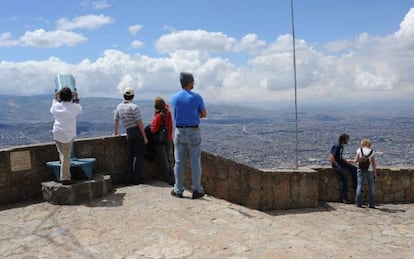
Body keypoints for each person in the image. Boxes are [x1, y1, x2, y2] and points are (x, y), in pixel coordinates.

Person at [170, 72, 207, 199]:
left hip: (179, 131)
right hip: (193, 131)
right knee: (195, 161)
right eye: (193, 81)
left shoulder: (174, 97)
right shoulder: (196, 97)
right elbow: (204, 114)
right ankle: (196, 189)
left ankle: (178, 189)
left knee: (179, 162)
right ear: (190, 82)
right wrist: (195, 117)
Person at [113, 87, 148, 185]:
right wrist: (144, 136)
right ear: (132, 96)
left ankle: (127, 178)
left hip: (128, 132)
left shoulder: (119, 107)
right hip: (137, 132)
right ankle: (137, 178)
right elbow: (139, 122)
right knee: (139, 156)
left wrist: (115, 132)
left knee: (130, 156)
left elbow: (116, 120)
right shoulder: (134, 107)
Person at [50, 87, 82, 185]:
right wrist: (76, 98)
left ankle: (62, 175)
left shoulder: (56, 107)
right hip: (68, 134)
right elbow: (79, 109)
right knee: (66, 156)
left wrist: (56, 96)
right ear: (71, 96)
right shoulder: (74, 107)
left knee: (62, 155)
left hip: (57, 132)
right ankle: (65, 178)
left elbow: (52, 108)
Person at [150, 97, 174, 185]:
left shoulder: (160, 115)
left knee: (164, 161)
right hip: (169, 137)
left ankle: (168, 179)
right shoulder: (168, 112)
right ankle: (173, 177)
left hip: (161, 140)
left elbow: (154, 129)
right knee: (169, 159)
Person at [329, 133, 357, 203]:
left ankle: (355, 186)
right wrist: (336, 164)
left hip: (341, 162)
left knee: (354, 169)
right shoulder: (337, 146)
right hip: (336, 164)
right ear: (343, 139)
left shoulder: (341, 146)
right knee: (344, 179)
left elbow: (340, 156)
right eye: (347, 139)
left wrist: (345, 161)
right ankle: (344, 198)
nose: (348, 141)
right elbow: (331, 156)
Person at [351, 139, 377, 208]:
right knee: (371, 188)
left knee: (359, 186)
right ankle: (372, 204)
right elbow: (374, 164)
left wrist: (348, 160)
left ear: (362, 144)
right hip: (370, 171)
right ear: (369, 144)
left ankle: (358, 203)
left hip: (361, 170)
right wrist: (375, 173)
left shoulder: (359, 150)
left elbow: (356, 161)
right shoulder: (372, 152)